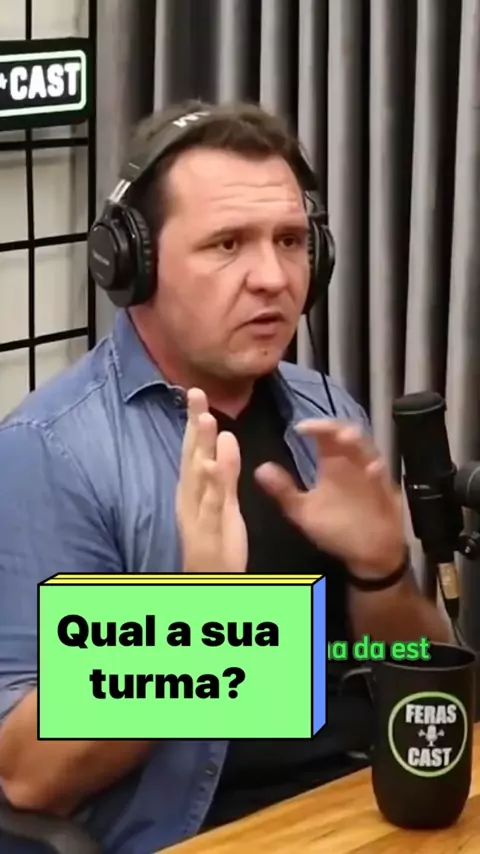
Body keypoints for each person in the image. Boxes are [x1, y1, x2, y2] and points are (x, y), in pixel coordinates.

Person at [0, 100, 450, 854]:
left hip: (362, 803)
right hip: (206, 833)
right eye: (227, 244)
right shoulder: (52, 453)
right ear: (133, 265)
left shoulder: (326, 413)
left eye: (290, 241)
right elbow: (28, 776)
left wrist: (380, 572)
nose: (272, 278)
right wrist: (199, 612)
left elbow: (418, 681)